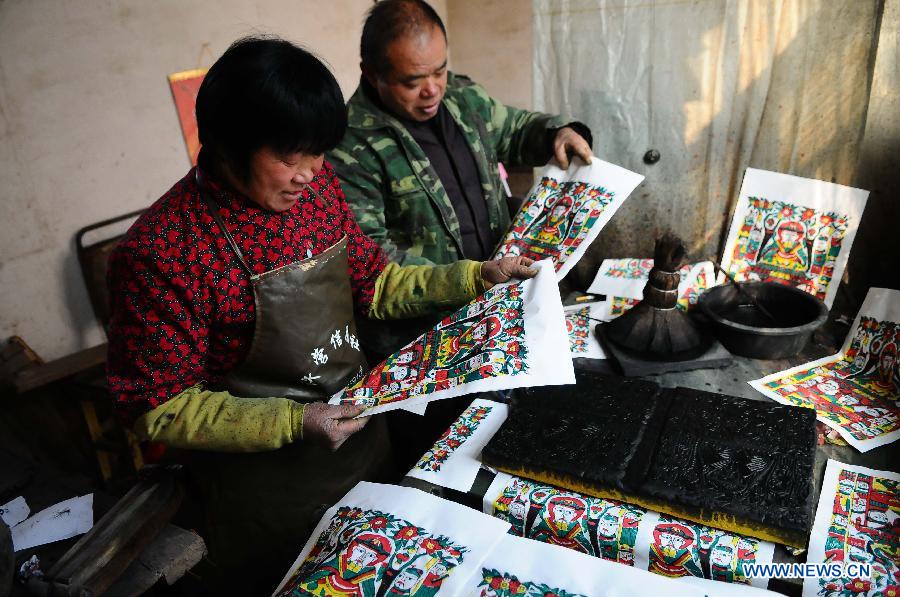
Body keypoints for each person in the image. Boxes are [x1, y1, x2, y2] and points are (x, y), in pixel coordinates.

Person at [105, 36, 535, 593]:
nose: (309, 173)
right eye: (289, 156)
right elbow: (158, 409)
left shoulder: (316, 191)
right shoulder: (165, 250)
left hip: (365, 454)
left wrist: (477, 275)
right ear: (229, 144)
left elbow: (377, 286)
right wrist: (293, 422)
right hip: (266, 499)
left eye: (318, 153)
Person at [329, 0, 594, 356]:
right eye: (412, 82)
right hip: (429, 339)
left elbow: (514, 131)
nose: (432, 89)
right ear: (372, 74)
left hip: (503, 306)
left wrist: (556, 133)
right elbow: (374, 268)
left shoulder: (461, 98)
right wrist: (472, 278)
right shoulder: (348, 148)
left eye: (439, 71)